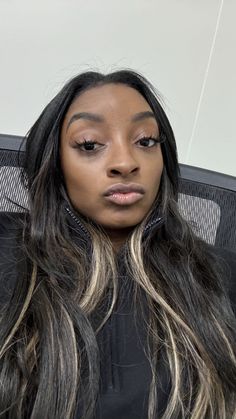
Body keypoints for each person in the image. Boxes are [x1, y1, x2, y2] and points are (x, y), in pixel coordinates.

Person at [0, 70, 235, 419]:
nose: (126, 163)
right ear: (56, 163)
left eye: (145, 141)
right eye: (91, 145)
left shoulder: (222, 274)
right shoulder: (8, 252)